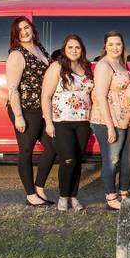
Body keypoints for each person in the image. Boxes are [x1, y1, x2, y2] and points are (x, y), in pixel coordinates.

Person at [4, 16, 56, 207]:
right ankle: (30, 194)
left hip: (41, 108)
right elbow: (12, 88)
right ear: (16, 35)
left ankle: (39, 186)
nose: (25, 32)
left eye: (27, 27)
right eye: (20, 30)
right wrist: (18, 116)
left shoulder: (39, 48)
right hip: (25, 109)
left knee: (52, 147)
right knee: (26, 151)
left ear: (32, 28)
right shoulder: (17, 54)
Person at [41, 34, 94, 212]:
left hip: (83, 122)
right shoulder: (56, 67)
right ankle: (63, 197)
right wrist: (48, 123)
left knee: (78, 161)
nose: (74, 50)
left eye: (77, 47)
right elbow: (46, 96)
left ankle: (74, 196)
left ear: (82, 50)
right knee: (68, 160)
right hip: (62, 121)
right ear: (64, 49)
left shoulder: (86, 67)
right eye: (70, 47)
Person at [89, 31, 130, 210]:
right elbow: (100, 96)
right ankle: (111, 196)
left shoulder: (122, 64)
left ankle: (124, 193)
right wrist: (109, 127)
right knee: (112, 159)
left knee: (127, 159)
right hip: (107, 119)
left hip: (125, 120)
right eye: (111, 44)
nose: (115, 47)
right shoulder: (104, 65)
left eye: (118, 44)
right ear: (105, 47)